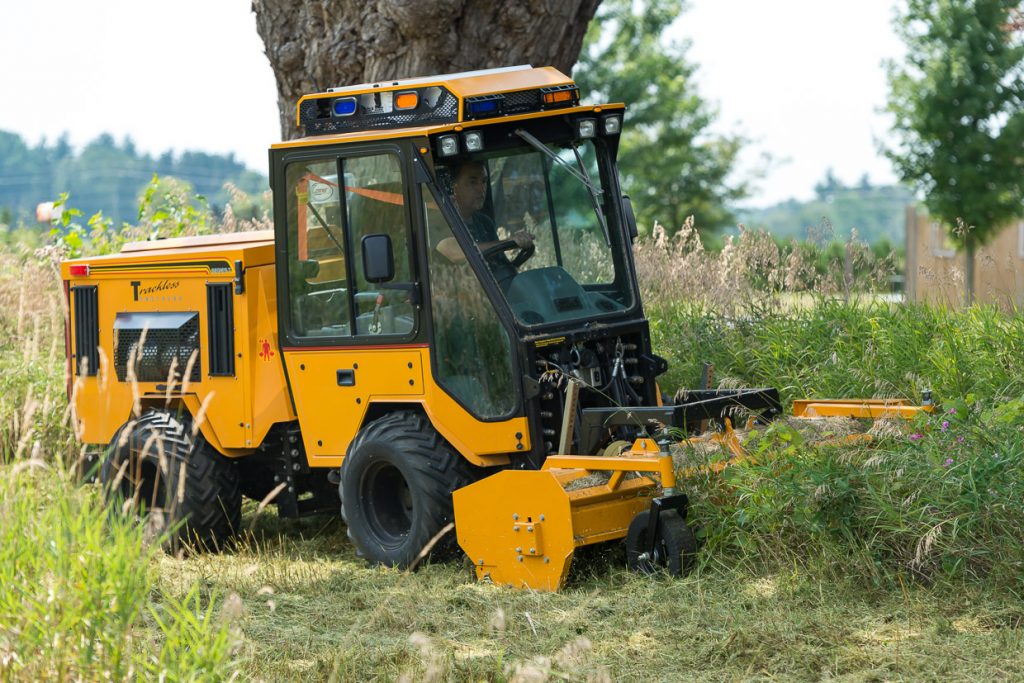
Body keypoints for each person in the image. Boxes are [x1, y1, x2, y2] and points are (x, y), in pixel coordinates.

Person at [437, 160, 534, 290]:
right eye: (472, 182)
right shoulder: (439, 219)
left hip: (489, 293)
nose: (481, 189)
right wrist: (507, 242)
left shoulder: (484, 222)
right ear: (453, 187)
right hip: (457, 298)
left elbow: (499, 262)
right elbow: (453, 252)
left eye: (483, 182)